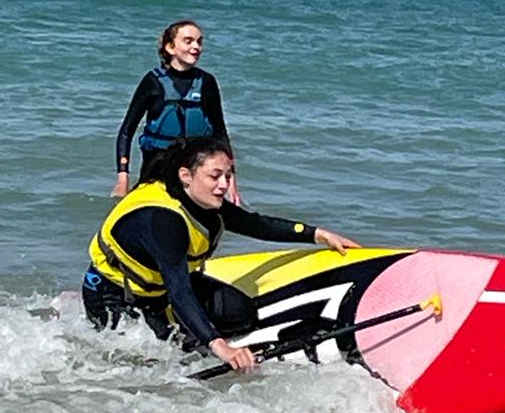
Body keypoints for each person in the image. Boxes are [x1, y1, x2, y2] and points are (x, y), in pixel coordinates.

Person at [84, 137, 360, 373]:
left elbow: (255, 224)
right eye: (215, 176)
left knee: (239, 313)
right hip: (115, 295)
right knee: (161, 362)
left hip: (160, 291)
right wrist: (220, 347)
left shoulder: (200, 199)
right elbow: (179, 290)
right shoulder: (163, 220)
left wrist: (318, 235)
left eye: (228, 176)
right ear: (186, 175)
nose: (224, 185)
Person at [113, 20, 240, 203]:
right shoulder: (153, 81)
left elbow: (220, 133)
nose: (196, 47)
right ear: (170, 47)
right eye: (188, 41)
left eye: (199, 42)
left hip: (195, 169)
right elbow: (126, 131)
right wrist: (122, 178)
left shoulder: (207, 82)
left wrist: (230, 179)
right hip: (157, 169)